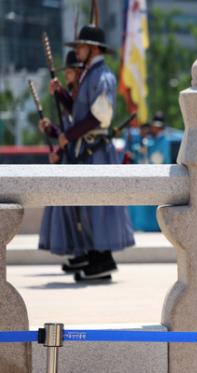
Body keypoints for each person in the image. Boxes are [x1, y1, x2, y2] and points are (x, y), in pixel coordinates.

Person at [39, 19, 135, 282]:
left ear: (93, 49)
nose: (77, 51)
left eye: (81, 47)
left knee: (98, 207)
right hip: (88, 150)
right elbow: (81, 113)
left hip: (97, 151)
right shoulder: (89, 76)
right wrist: (61, 95)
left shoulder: (103, 76)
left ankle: (102, 258)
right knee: (88, 207)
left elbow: (99, 117)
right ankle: (94, 257)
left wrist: (67, 135)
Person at [38, 50, 88, 273]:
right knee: (70, 210)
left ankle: (87, 254)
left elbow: (78, 130)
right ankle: (78, 252)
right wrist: (52, 131)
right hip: (70, 158)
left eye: (70, 72)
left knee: (82, 211)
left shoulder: (82, 97)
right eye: (66, 72)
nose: (67, 76)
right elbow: (66, 133)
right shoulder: (72, 95)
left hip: (84, 158)